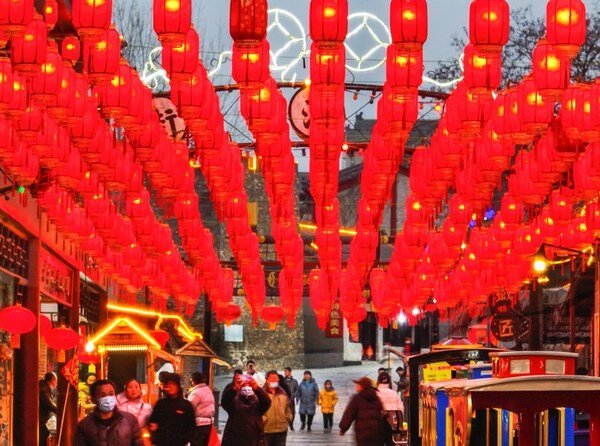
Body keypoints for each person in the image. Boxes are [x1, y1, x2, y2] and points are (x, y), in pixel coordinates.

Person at [74, 379, 144, 446]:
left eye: (111, 394)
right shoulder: (85, 425)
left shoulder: (129, 420)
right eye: (103, 395)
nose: (108, 398)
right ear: (93, 400)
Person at [221, 372, 271, 446]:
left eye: (249, 385)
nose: (246, 388)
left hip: (254, 440)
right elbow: (225, 402)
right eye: (243, 385)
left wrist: (257, 389)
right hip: (234, 440)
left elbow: (267, 402)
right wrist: (234, 389)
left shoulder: (258, 404)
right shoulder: (233, 403)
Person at [148, 373, 195, 446]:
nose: (169, 386)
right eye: (167, 384)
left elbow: (191, 426)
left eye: (172, 384)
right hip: (161, 443)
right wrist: (154, 435)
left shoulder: (186, 405)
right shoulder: (160, 404)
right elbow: (152, 422)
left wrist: (186, 440)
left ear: (178, 386)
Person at [339, 376, 385, 446]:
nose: (356, 386)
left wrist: (343, 429)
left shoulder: (357, 399)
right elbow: (381, 416)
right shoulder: (376, 398)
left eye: (358, 384)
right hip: (376, 434)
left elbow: (349, 414)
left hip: (362, 434)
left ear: (362, 386)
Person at [262, 370, 292, 446]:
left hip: (282, 429)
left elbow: (288, 408)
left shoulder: (283, 393)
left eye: (276, 379)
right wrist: (264, 420)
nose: (275, 381)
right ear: (267, 380)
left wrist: (288, 418)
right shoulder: (261, 394)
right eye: (272, 379)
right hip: (267, 430)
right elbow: (257, 410)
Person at [187, 371, 215, 446]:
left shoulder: (196, 393)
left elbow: (189, 408)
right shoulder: (208, 390)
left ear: (193, 381)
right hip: (209, 424)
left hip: (199, 425)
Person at [377, 372, 404, 446]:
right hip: (393, 425)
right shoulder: (394, 394)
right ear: (389, 382)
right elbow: (401, 409)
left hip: (378, 425)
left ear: (378, 381)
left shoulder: (375, 393)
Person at [39, 372, 58, 446]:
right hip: (41, 421)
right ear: (53, 380)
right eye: (56, 381)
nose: (56, 383)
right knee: (43, 436)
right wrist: (60, 412)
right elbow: (49, 405)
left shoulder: (44, 387)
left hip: (43, 420)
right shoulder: (44, 390)